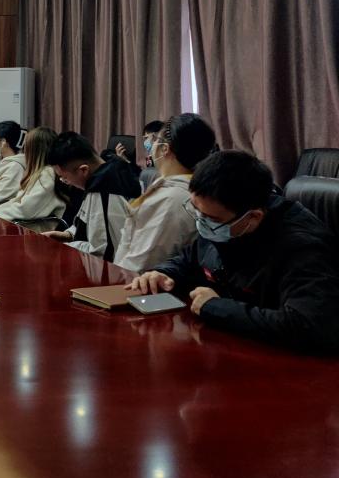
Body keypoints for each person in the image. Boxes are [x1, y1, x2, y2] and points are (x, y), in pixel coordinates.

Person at [128, 150, 339, 354]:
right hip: (229, 346)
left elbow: (308, 326)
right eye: (196, 210)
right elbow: (191, 258)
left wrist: (215, 307)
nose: (201, 222)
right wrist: (164, 273)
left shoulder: (303, 248)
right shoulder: (222, 221)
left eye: (211, 218)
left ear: (253, 217)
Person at [113, 114, 217, 273]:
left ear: (165, 148)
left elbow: (143, 262)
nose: (151, 145)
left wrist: (117, 280)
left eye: (155, 140)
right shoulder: (175, 187)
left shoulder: (172, 200)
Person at [43, 131, 141, 260]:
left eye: (64, 178)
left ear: (83, 170)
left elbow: (103, 252)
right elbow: (86, 223)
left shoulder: (103, 190)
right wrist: (68, 235)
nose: (66, 182)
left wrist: (62, 247)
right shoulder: (108, 172)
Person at [0, 127, 67, 224]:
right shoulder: (40, 172)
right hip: (25, 223)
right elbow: (18, 202)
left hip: (36, 228)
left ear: (33, 151)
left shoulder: (47, 175)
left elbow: (25, 210)